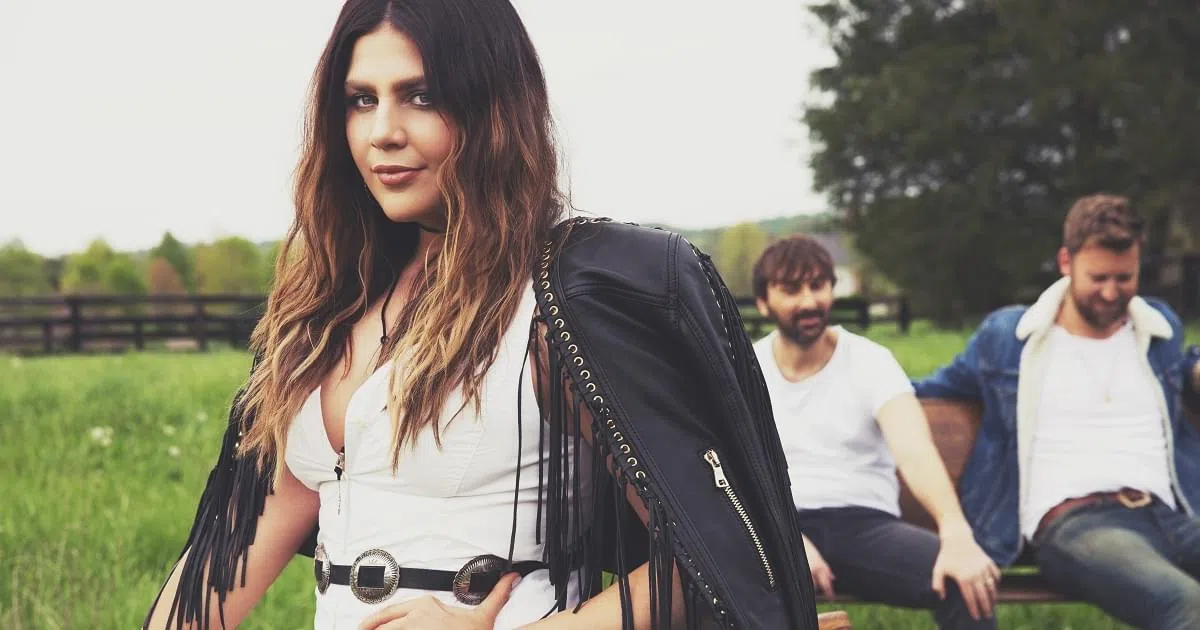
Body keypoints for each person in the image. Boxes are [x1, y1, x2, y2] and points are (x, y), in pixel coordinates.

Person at [142, 1, 819, 629]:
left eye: (421, 95)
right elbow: (226, 555)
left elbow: (710, 558)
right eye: (361, 100)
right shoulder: (326, 308)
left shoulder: (562, 298)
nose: (383, 132)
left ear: (493, 106)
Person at [914, 194, 1200, 629]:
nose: (1111, 292)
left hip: (1170, 515)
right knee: (1189, 609)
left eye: (1124, 278)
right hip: (1078, 524)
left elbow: (1181, 371)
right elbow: (921, 390)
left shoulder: (1157, 327)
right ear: (1066, 262)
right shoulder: (1010, 338)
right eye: (1098, 278)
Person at [750, 235, 1000, 629]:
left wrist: (955, 531)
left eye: (818, 285)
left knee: (965, 581)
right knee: (696, 584)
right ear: (764, 302)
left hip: (863, 526)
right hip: (774, 526)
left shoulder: (871, 361)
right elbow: (731, 469)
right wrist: (785, 539)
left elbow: (915, 451)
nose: (809, 301)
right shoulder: (746, 369)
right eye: (791, 289)